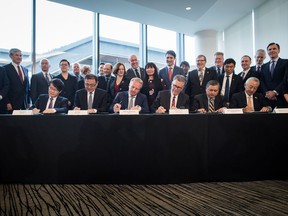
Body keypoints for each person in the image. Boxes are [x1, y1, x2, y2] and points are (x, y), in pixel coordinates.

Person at [260, 42, 288, 109]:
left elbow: (285, 79)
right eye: (269, 49)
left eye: (274, 49)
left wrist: (275, 92)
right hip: (268, 99)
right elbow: (262, 81)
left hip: (281, 97)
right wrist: (267, 94)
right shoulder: (264, 66)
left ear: (279, 50)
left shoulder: (286, 62)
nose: (272, 50)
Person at [4, 48, 30, 113]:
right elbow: (3, 87)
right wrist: (7, 102)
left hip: (24, 103)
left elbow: (27, 87)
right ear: (11, 56)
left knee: (23, 122)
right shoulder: (5, 69)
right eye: (17, 55)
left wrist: (28, 101)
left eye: (20, 55)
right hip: (11, 103)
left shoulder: (25, 69)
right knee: (11, 123)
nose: (19, 57)